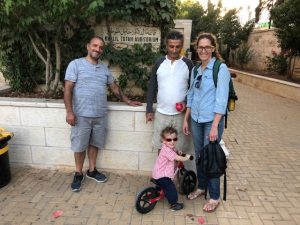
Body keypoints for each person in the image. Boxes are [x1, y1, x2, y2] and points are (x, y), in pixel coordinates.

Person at [64, 36, 141, 192]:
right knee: (79, 146)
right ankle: (78, 173)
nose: (97, 49)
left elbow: (114, 88)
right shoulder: (76, 64)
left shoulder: (104, 69)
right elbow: (68, 89)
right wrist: (69, 112)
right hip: (81, 115)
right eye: (95, 46)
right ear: (88, 46)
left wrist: (127, 101)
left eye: (100, 47)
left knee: (95, 144)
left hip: (100, 114)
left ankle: (92, 170)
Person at [183, 33, 231, 212]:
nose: (203, 50)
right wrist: (186, 118)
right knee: (200, 155)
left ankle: (215, 196)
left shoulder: (220, 69)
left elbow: (221, 100)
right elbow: (191, 94)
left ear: (213, 49)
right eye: (200, 47)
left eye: (207, 47)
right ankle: (202, 187)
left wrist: (214, 127)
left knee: (210, 157)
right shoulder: (196, 69)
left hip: (212, 121)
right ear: (197, 49)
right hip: (195, 119)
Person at [146, 30, 193, 154]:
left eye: (177, 47)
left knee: (178, 149)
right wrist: (149, 109)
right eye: (171, 46)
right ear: (166, 46)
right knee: (161, 149)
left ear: (181, 46)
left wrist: (186, 102)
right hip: (161, 114)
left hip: (180, 116)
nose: (174, 50)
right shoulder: (159, 63)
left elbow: (193, 89)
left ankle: (175, 174)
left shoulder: (188, 64)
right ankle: (162, 174)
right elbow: (152, 86)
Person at [152, 126, 191, 211]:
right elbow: (177, 158)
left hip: (158, 173)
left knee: (162, 185)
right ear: (163, 140)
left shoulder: (166, 146)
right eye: (169, 140)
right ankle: (174, 204)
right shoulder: (167, 151)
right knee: (171, 188)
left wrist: (178, 152)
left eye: (175, 139)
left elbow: (174, 151)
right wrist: (186, 158)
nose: (172, 142)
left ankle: (156, 192)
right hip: (162, 175)